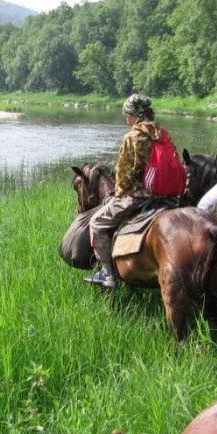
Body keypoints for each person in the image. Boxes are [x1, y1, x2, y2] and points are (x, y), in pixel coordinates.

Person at [84, 93, 181, 288]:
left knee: (97, 223)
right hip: (169, 195)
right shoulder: (163, 132)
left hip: (140, 196)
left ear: (136, 116)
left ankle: (107, 274)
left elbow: (125, 173)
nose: (126, 119)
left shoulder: (133, 136)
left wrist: (118, 193)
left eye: (127, 115)